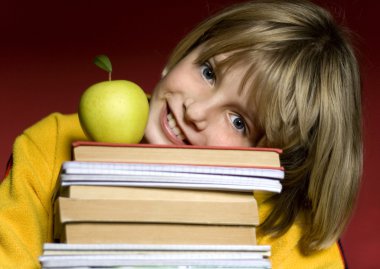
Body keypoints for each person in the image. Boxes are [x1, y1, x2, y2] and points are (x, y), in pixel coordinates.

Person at [0, 0, 362, 268]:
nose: (196, 111)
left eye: (239, 122)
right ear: (182, 55)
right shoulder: (53, 143)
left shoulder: (285, 235)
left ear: (276, 158)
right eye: (208, 72)